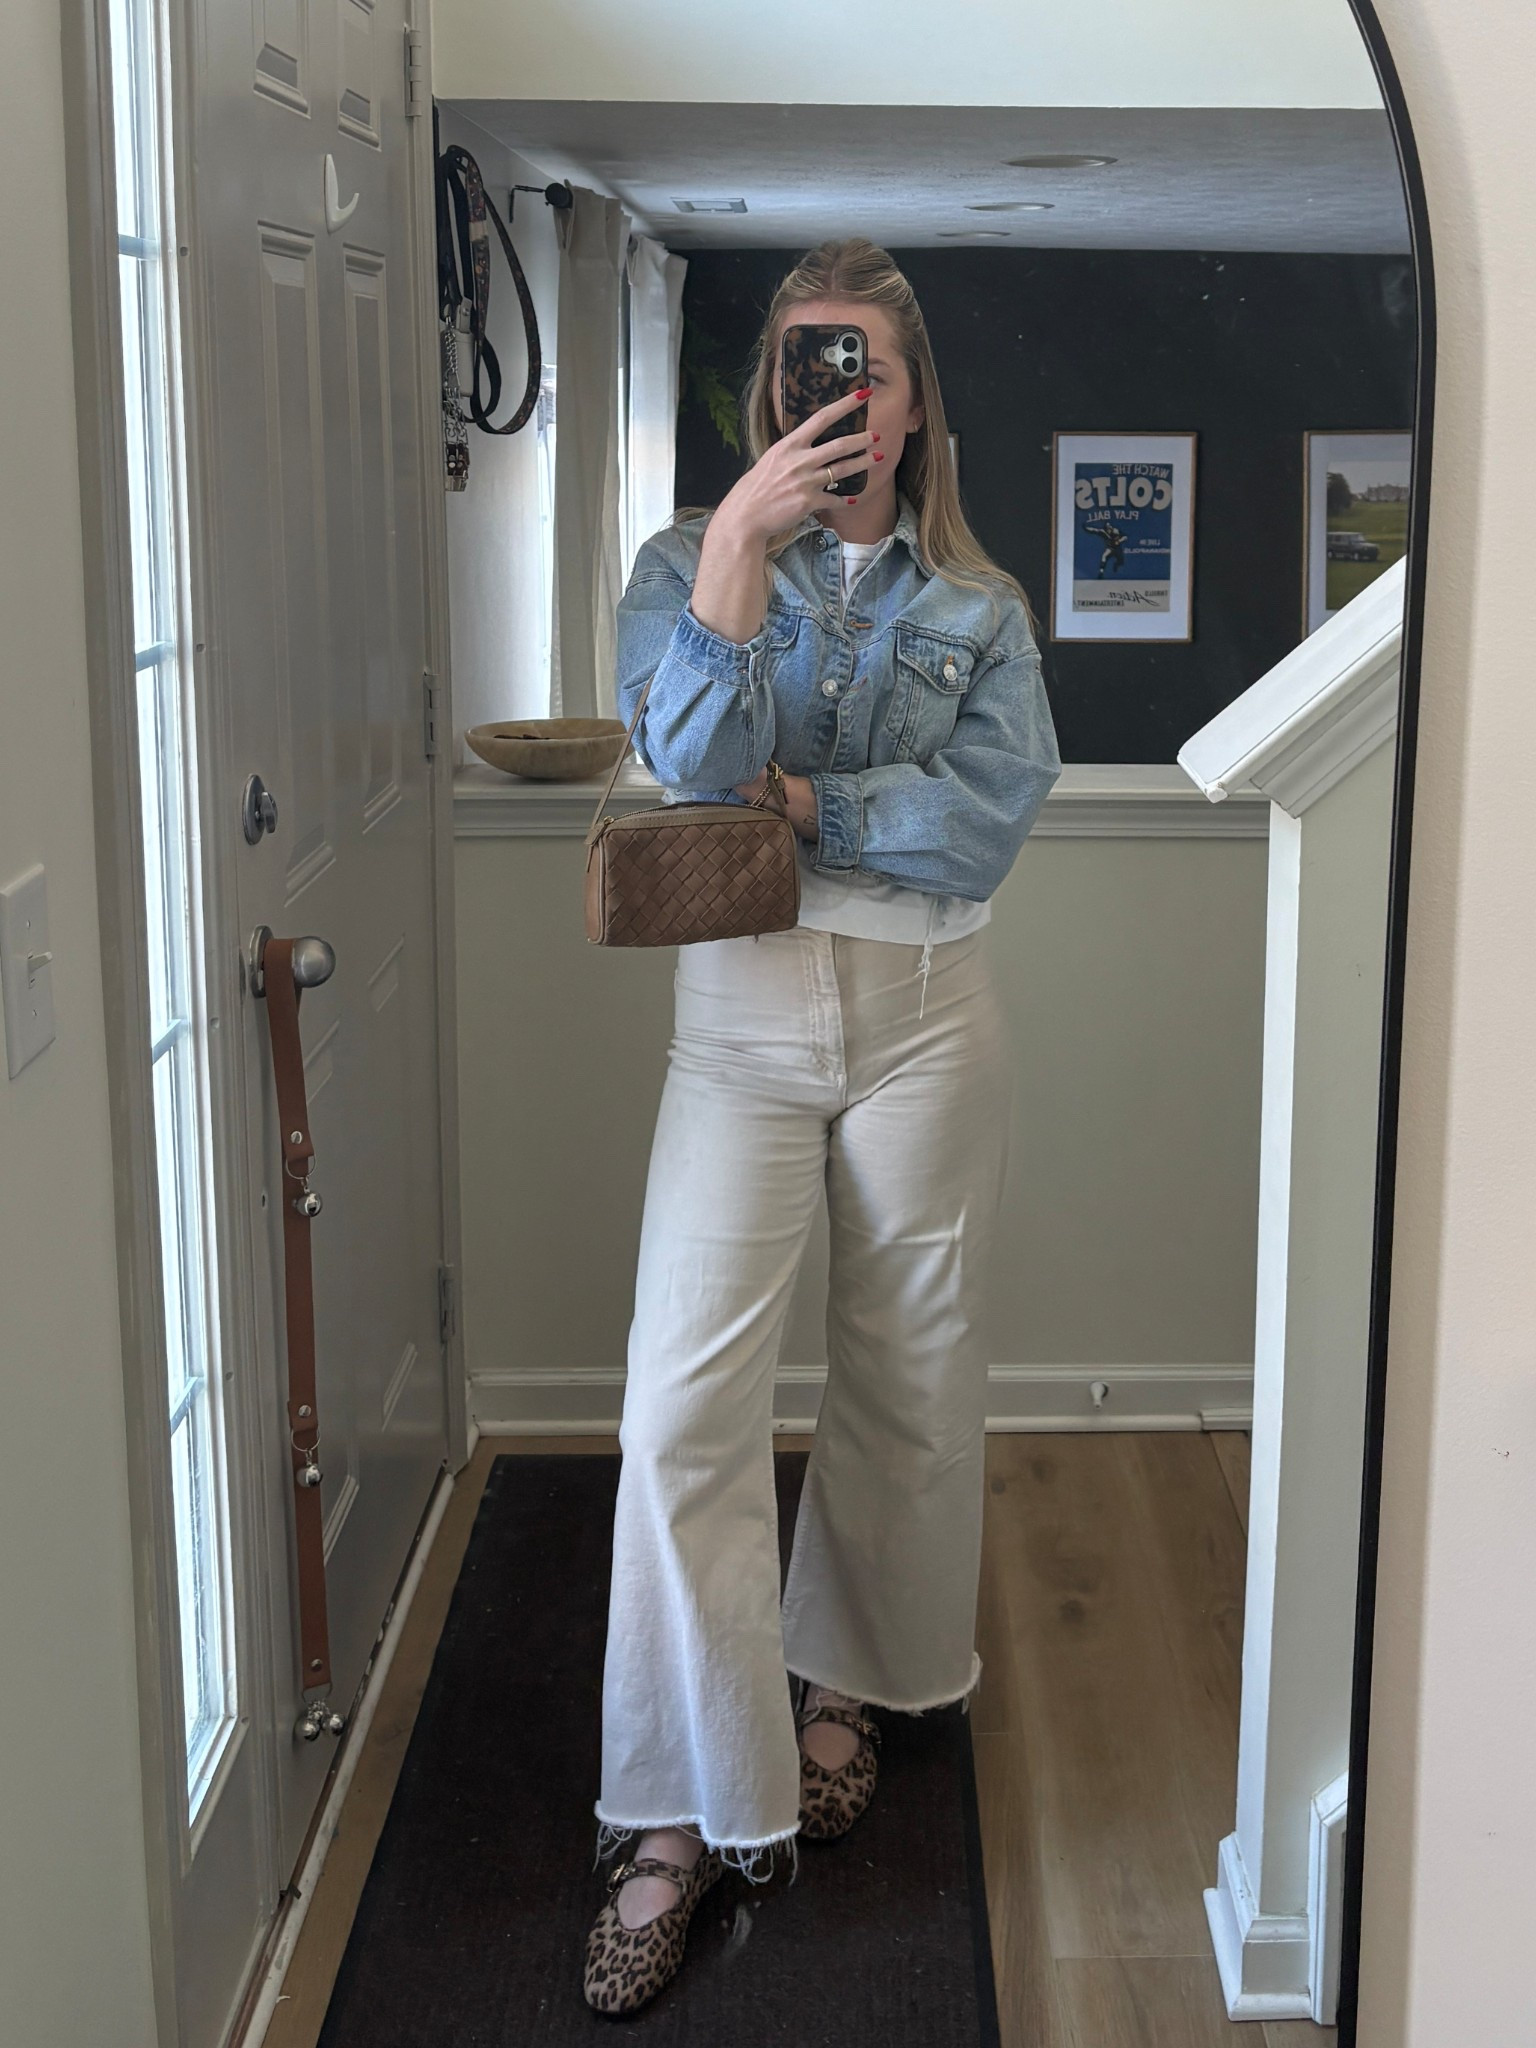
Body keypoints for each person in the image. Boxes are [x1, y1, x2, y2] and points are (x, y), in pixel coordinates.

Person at [581, 236, 1062, 2016]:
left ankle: (847, 1682)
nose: (829, 396)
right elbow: (690, 761)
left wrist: (804, 801)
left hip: (933, 1016)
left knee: (908, 1373)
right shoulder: (681, 566)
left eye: (859, 367)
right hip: (740, 1022)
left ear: (913, 401)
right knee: (679, 1407)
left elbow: (986, 820)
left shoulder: (980, 607)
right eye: (800, 365)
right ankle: (678, 1800)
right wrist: (737, 547)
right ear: (764, 390)